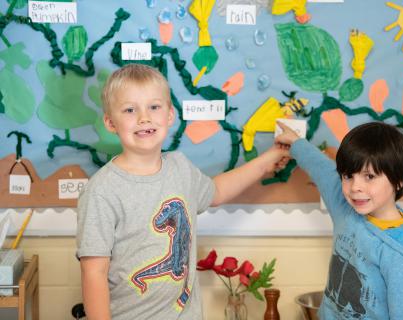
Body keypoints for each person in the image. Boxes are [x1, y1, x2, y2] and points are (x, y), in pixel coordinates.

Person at [76, 63, 289, 320]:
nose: (144, 117)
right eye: (130, 110)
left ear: (169, 115)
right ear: (110, 122)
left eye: (154, 107)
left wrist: (269, 159)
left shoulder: (180, 168)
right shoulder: (101, 191)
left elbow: (218, 190)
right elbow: (94, 273)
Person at [276, 121, 403, 320]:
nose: (355, 187)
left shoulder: (400, 254)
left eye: (369, 176)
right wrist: (296, 143)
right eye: (348, 176)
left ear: (398, 181)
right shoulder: (345, 208)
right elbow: (323, 169)